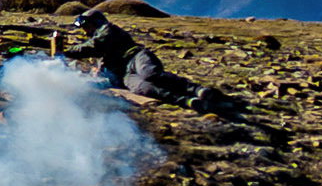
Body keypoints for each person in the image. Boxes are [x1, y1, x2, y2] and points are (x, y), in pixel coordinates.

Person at [64, 8, 228, 113]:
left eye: (87, 27)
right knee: (146, 89)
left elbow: (94, 46)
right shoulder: (99, 39)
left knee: (152, 75)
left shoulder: (108, 30)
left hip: (135, 56)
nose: (86, 32)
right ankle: (188, 101)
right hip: (124, 74)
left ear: (96, 22)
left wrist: (65, 52)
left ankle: (195, 89)